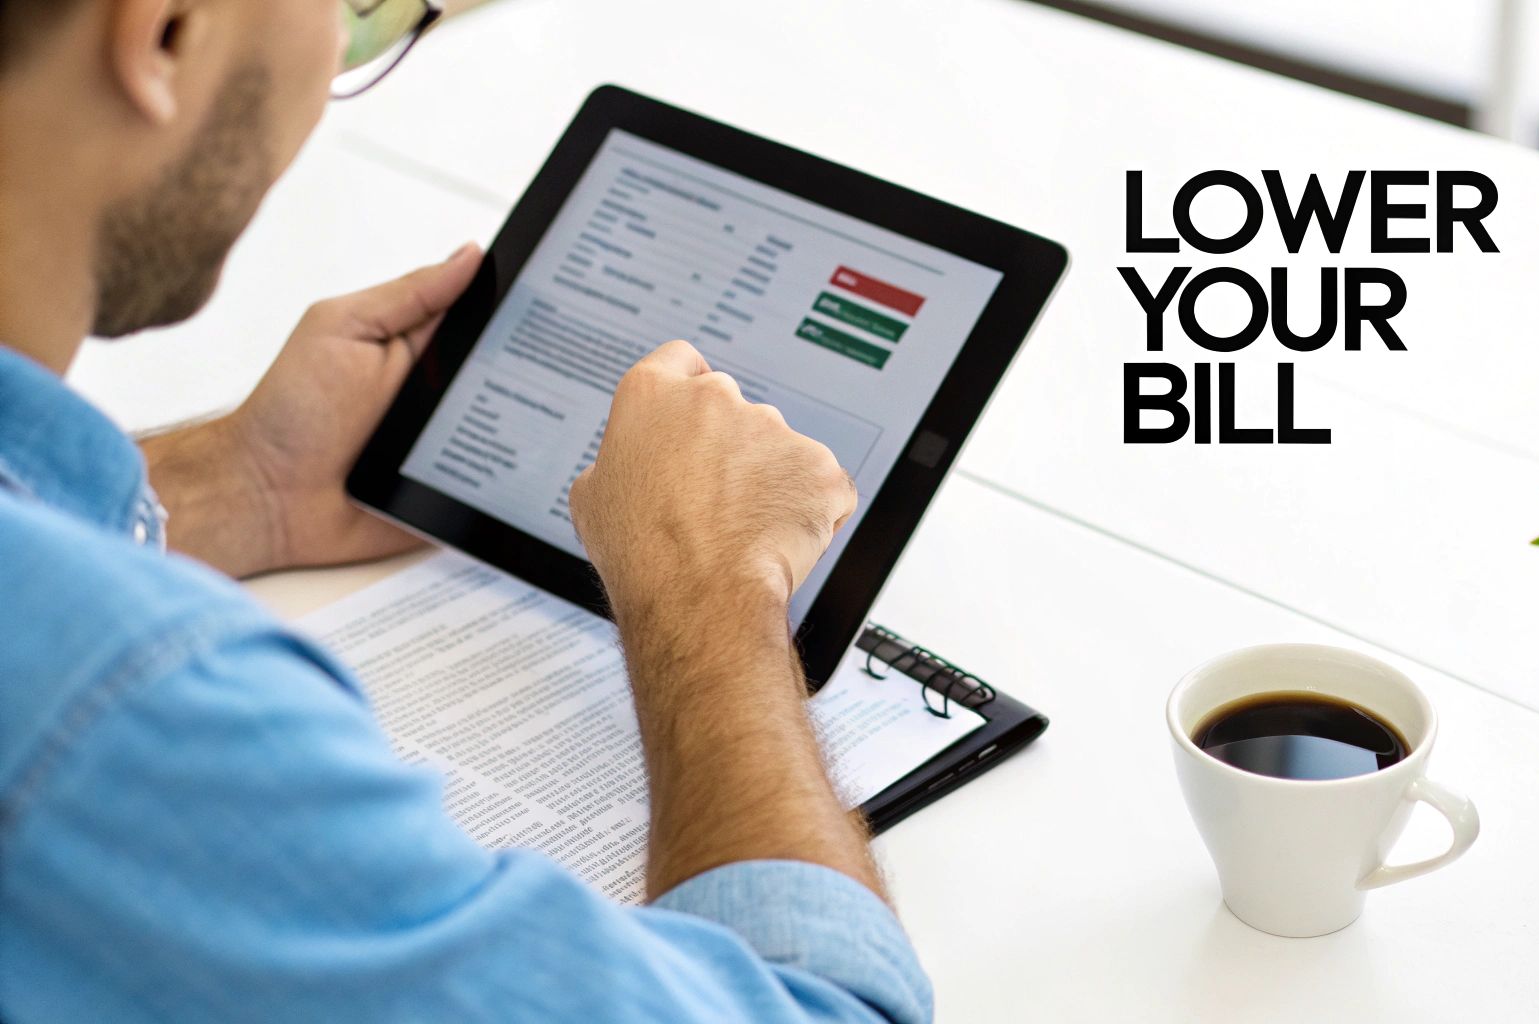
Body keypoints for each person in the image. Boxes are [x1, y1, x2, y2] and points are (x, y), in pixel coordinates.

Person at [0, 1, 932, 1021]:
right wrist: (708, 590)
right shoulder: (126, 714)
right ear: (164, 32)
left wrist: (242, 482)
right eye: (349, 14)